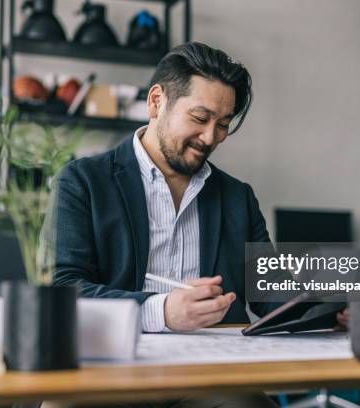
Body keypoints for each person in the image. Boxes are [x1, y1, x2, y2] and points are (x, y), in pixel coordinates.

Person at [45, 41, 344, 408]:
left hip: (207, 374)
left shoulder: (237, 197)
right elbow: (64, 290)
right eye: (200, 119)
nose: (210, 138)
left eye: (223, 125)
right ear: (157, 102)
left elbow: (271, 290)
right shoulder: (82, 182)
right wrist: (164, 311)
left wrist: (327, 307)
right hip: (108, 368)